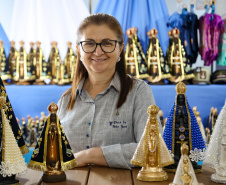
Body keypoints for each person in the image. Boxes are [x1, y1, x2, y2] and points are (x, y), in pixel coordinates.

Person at [57, 13, 161, 169]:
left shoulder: (138, 92)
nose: (98, 52)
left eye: (107, 43)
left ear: (120, 49)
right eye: (89, 43)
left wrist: (88, 156)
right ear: (78, 50)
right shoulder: (65, 100)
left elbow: (152, 148)